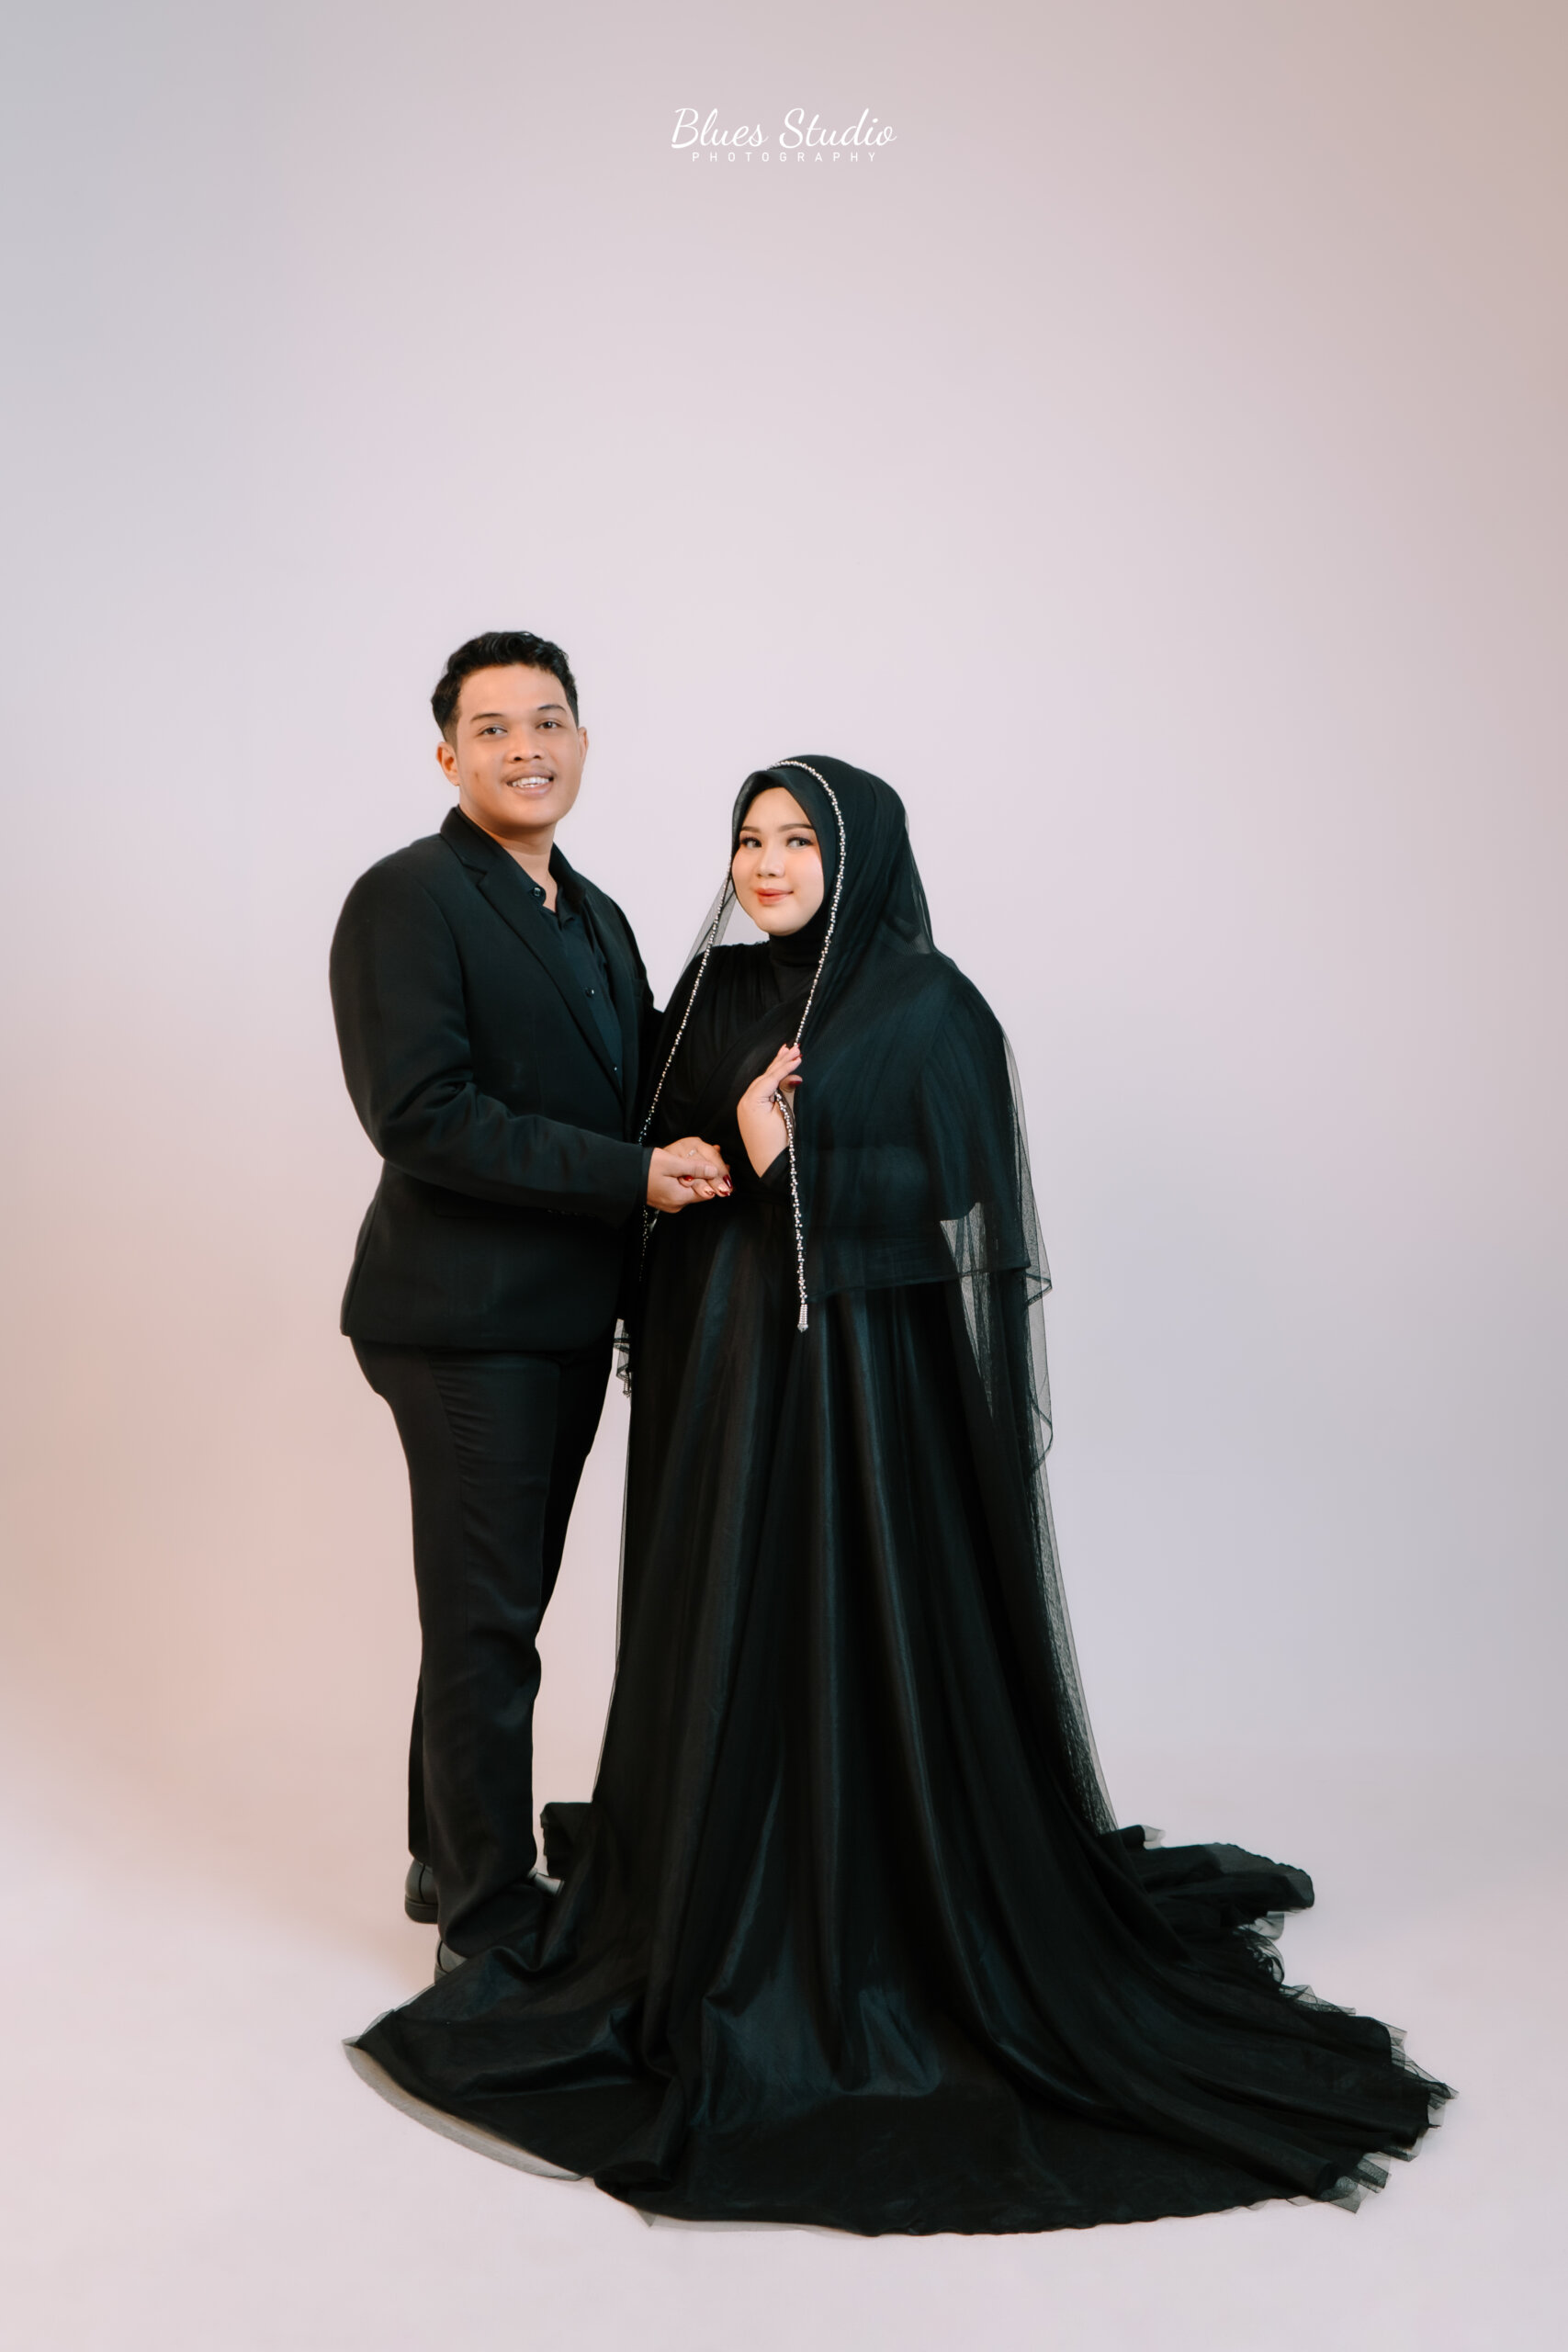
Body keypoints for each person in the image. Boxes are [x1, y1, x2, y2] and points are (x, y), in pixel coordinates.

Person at [349, 755, 1450, 2233]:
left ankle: (857, 1885)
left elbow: (962, 1197)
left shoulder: (928, 1006)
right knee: (690, 1616)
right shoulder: (707, 989)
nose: (767, 864)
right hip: (722, 1393)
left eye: (798, 841)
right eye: (749, 838)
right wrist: (719, 1164)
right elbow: (658, 1163)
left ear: (858, 857)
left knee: (837, 1617)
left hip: (858, 1401)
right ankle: (637, 1864)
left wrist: (791, 1165)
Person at [329, 630, 728, 1969]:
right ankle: (489, 1926)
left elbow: (644, 1085)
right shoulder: (406, 898)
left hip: (561, 1321)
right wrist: (632, 1177)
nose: (526, 748)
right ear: (449, 757)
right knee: (490, 1622)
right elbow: (422, 1114)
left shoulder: (598, 916)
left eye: (548, 722)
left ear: (584, 744)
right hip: (459, 1322)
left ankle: (445, 1859)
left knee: (492, 1612)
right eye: (493, 729)